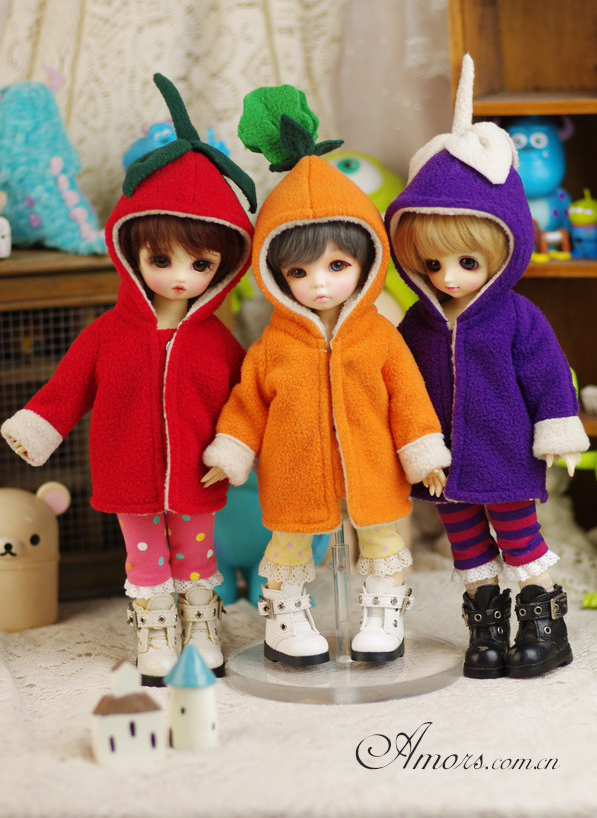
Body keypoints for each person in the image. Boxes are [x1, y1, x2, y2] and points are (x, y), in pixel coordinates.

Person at [1, 75, 255, 684]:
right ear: (131, 251)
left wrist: (235, 445)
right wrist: (38, 426)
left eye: (200, 264)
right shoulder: (108, 332)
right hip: (125, 467)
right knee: (144, 557)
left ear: (222, 265)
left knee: (196, 551)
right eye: (161, 259)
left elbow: (247, 397)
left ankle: (200, 622)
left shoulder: (217, 339)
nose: (180, 277)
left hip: (197, 468)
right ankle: (155, 626)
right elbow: (69, 385)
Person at [202, 85, 451, 668]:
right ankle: (285, 615)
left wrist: (423, 454)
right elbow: (247, 403)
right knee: (289, 545)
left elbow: (408, 397)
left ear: (367, 261)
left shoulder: (381, 336)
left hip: (372, 467)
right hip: (295, 471)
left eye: (337, 265)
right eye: (299, 271)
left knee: (382, 540)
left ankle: (384, 611)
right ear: (274, 272)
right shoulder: (273, 345)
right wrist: (231, 452)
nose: (320, 284)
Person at [385, 55, 590, 680]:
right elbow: (398, 385)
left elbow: (549, 375)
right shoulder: (416, 322)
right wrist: (411, 445)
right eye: (432, 264)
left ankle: (544, 624)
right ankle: (486, 626)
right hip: (443, 464)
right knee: (467, 544)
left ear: (506, 248)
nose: (448, 278)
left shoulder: (518, 317)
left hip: (505, 455)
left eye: (466, 263)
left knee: (520, 539)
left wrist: (558, 432)